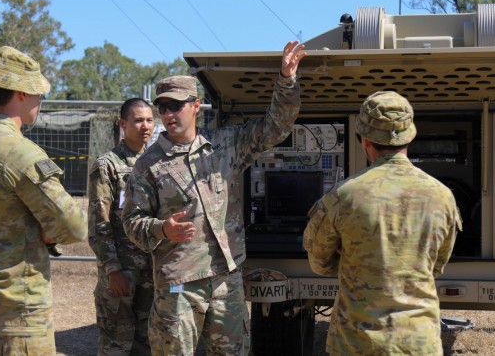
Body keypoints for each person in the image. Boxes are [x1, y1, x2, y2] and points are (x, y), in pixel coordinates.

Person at [121, 41, 306, 355]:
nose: (168, 114)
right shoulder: (147, 165)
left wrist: (286, 80)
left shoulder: (226, 144)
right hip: (179, 284)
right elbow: (131, 223)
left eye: (175, 105)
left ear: (195, 105)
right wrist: (161, 229)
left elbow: (276, 127)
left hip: (225, 279)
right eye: (162, 107)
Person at [303, 90, 462, 355]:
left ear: (365, 140)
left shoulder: (343, 196)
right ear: (410, 136)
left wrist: (354, 255)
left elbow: (319, 263)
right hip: (418, 342)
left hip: (356, 343)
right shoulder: (442, 195)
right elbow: (436, 266)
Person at [0, 46, 88, 355]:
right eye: (37, 93)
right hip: (17, 304)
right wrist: (47, 231)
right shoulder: (19, 151)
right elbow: (74, 227)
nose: (40, 100)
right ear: (20, 93)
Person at [88, 98, 155, 356]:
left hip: (151, 270)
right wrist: (112, 268)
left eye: (149, 120)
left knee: (147, 340)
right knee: (116, 342)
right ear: (123, 124)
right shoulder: (107, 165)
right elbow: (99, 221)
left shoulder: (157, 162)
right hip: (122, 271)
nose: (145, 126)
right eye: (138, 120)